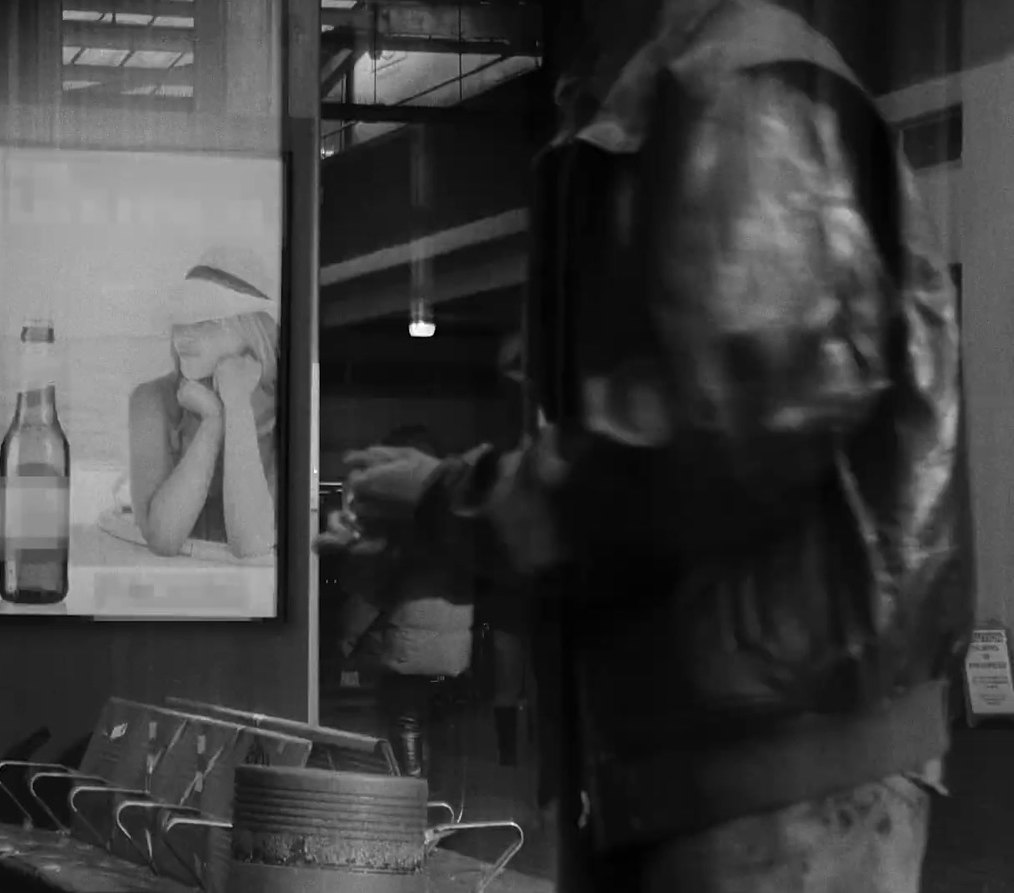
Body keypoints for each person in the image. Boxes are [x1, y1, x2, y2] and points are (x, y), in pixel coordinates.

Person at [320, 1, 969, 891]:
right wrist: (449, 551)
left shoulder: (738, 85)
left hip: (770, 779)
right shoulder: (659, 96)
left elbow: (727, 434)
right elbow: (674, 522)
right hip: (715, 771)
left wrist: (450, 505)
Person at [335, 426, 474, 780]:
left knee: (404, 720)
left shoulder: (404, 528)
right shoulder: (457, 523)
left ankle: (411, 794)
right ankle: (442, 798)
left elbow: (371, 593)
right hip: (456, 660)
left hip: (412, 661)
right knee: (440, 728)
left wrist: (345, 641)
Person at [128, 247, 280, 560]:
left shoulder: (285, 408)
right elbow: (163, 538)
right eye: (180, 320)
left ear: (250, 329)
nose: (184, 335)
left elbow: (252, 543)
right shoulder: (153, 401)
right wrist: (212, 422)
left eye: (205, 321)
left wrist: (236, 403)